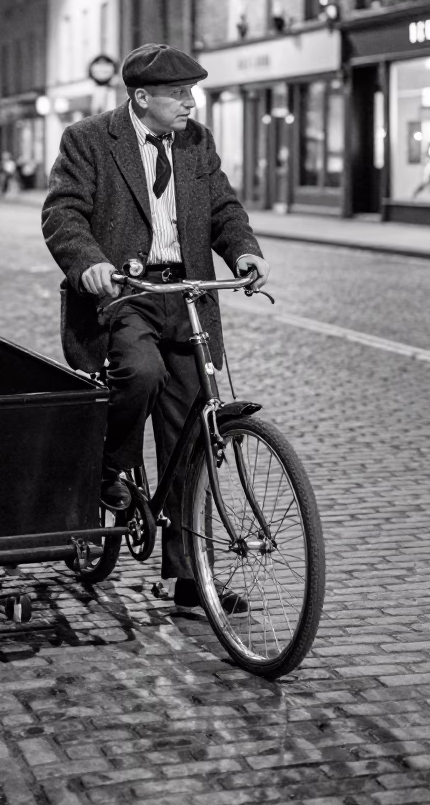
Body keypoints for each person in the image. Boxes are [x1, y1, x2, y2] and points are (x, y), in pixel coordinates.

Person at [42, 43, 270, 611]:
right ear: (142, 98)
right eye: (178, 93)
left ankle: (191, 580)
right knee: (140, 373)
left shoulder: (196, 142)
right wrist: (88, 262)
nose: (190, 103)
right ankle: (107, 465)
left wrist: (243, 252)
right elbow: (62, 212)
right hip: (126, 294)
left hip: (185, 293)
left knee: (192, 430)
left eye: (191, 92)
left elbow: (222, 207)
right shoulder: (89, 139)